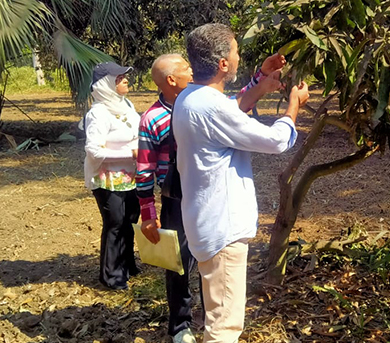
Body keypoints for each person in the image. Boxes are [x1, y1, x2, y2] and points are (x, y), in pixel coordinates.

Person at [136, 52, 288, 343]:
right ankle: (180, 325)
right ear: (170, 80)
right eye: (184, 68)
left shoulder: (198, 101)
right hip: (176, 198)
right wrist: (148, 215)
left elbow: (232, 107)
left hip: (203, 193)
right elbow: (144, 169)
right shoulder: (154, 117)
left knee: (212, 267)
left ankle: (211, 318)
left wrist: (258, 79)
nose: (191, 71)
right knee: (178, 264)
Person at [172, 23, 309, 343]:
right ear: (222, 64)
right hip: (223, 229)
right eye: (235, 52)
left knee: (218, 316)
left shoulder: (189, 98)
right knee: (224, 328)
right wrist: (294, 105)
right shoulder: (209, 106)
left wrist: (260, 80)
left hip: (206, 223)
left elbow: (232, 109)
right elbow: (275, 141)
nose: (238, 57)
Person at [84, 62, 141, 290]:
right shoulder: (98, 113)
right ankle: (112, 275)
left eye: (124, 76)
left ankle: (127, 265)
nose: (125, 80)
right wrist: (131, 153)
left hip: (130, 176)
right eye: (118, 78)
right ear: (106, 84)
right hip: (107, 178)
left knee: (130, 219)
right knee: (115, 223)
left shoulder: (126, 105)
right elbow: (93, 150)